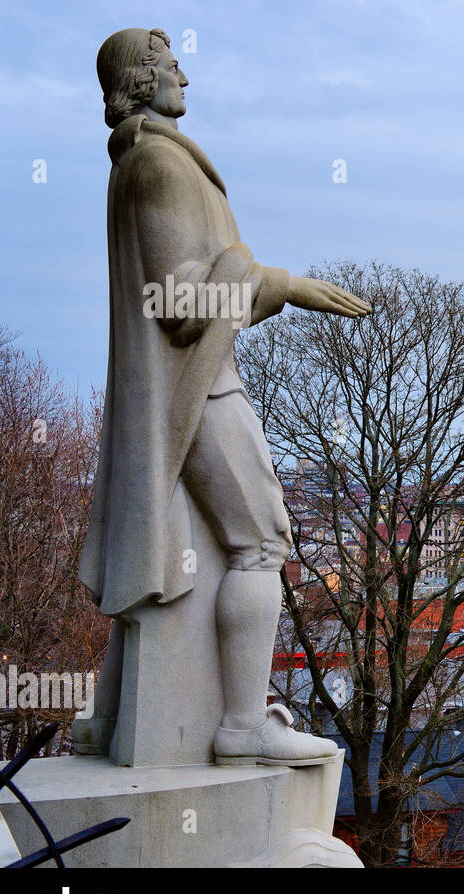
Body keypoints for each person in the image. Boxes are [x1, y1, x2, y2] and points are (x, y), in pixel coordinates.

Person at [77, 27, 370, 765]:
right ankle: (241, 722)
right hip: (200, 387)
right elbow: (180, 302)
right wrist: (280, 282)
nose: (184, 75)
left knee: (154, 550)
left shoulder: (144, 163)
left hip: (183, 387)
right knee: (263, 540)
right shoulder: (159, 167)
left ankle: (108, 717)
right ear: (141, 81)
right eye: (170, 64)